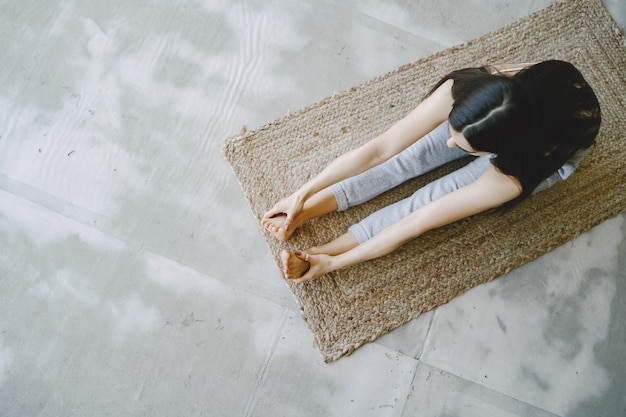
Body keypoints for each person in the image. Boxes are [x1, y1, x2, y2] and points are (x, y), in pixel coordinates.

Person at [262, 60, 601, 284]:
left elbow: (417, 219)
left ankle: (325, 250)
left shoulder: (516, 172)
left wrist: (333, 265)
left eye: (464, 147)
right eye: (453, 132)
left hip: (534, 153)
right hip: (510, 116)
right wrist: (300, 194)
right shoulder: (468, 90)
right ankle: (305, 211)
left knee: (430, 197)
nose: (450, 146)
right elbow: (380, 149)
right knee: (407, 158)